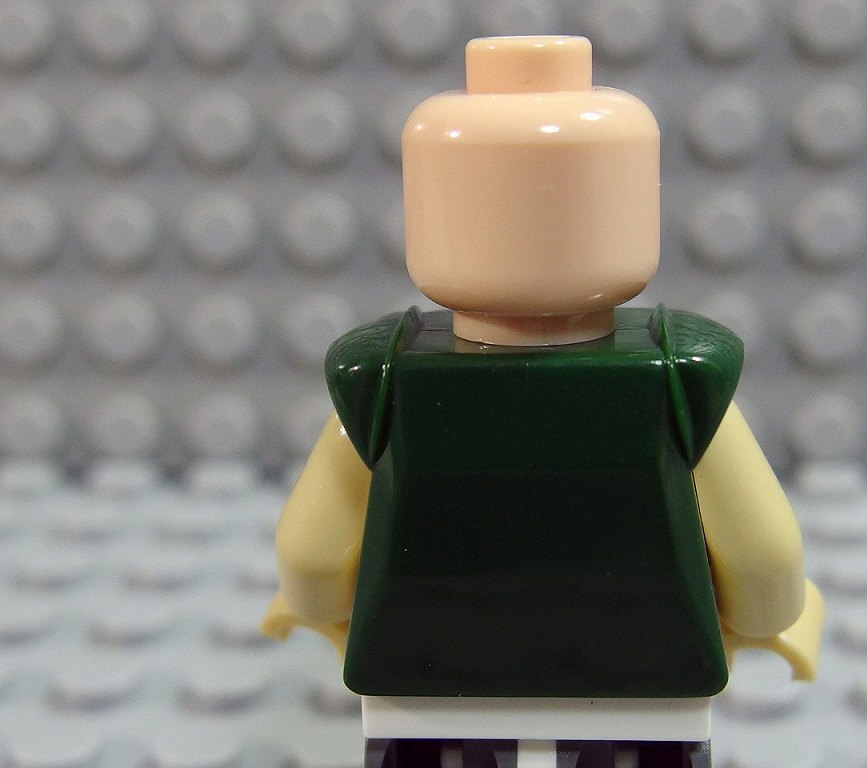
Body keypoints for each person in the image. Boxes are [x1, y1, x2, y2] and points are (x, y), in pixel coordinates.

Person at [263, 35, 823, 768]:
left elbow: (310, 556)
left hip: (424, 672)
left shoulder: (386, 377)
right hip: (646, 670)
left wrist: (314, 608)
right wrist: (772, 616)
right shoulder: (677, 376)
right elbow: (765, 556)